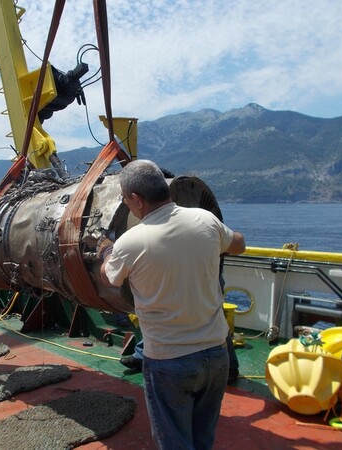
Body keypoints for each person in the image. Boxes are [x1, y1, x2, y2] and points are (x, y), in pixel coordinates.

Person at [98, 160, 246, 450]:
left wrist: (106, 250)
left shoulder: (130, 242)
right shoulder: (206, 220)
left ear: (136, 199)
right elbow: (238, 244)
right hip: (216, 356)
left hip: (170, 362)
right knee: (203, 438)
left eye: (126, 200)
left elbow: (108, 279)